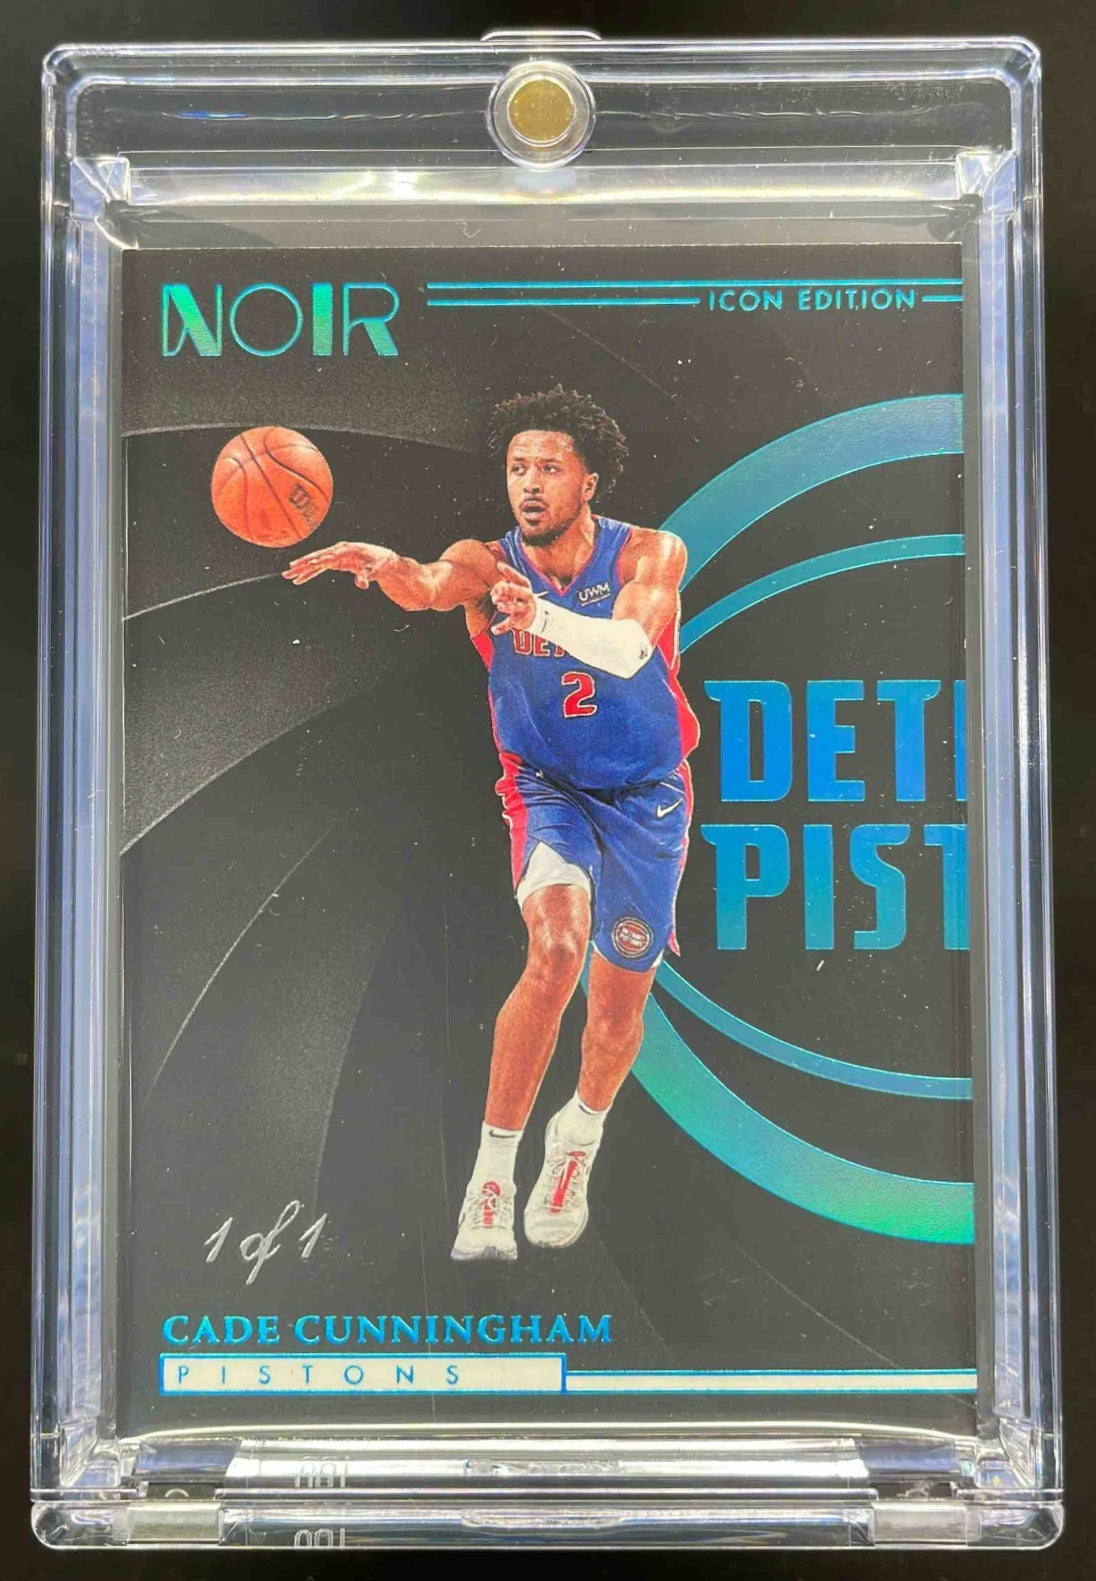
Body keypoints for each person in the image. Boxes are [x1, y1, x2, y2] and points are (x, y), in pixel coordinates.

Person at [284, 387, 699, 1260]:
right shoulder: (486, 561)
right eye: (517, 468)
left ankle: (576, 1141)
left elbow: (629, 649)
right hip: (547, 788)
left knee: (616, 1009)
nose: (530, 484)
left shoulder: (649, 553)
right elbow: (431, 584)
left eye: (549, 467)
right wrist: (388, 566)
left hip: (647, 798)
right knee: (556, 947)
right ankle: (492, 1176)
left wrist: (538, 615)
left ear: (589, 480)